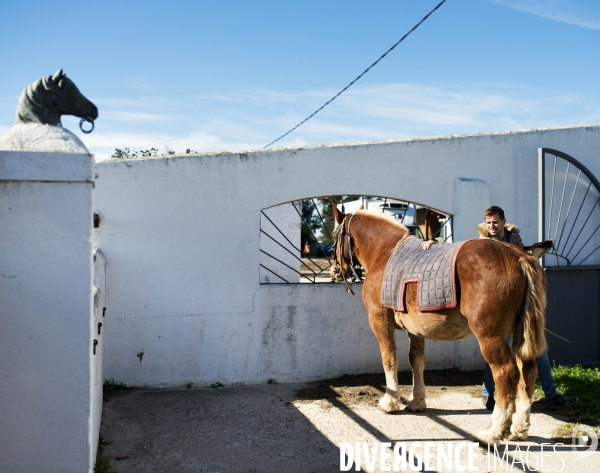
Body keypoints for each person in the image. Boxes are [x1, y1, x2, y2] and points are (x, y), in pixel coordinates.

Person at [423, 205, 579, 411]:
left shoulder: (514, 240)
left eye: (495, 222)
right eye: (488, 223)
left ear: (503, 222)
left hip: (516, 301)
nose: (492, 226)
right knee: (496, 349)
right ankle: (488, 394)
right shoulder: (483, 243)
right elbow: (460, 251)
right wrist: (436, 244)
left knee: (536, 349)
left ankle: (551, 395)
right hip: (495, 306)